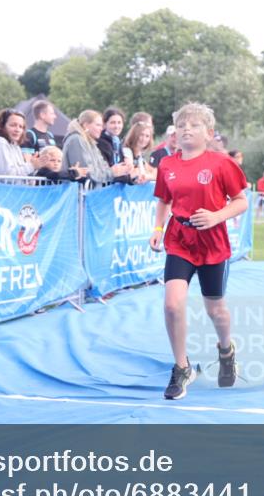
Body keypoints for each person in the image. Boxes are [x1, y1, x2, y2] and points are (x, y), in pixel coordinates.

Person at [149, 102, 248, 400]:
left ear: (209, 133)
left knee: (215, 309)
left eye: (193, 125)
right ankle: (182, 368)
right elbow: (164, 201)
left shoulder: (221, 163)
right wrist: (157, 230)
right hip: (179, 239)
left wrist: (217, 216)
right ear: (175, 134)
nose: (186, 130)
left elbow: (241, 201)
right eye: (181, 126)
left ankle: (226, 350)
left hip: (212, 240)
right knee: (172, 304)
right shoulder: (167, 164)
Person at [61, 110, 131, 188]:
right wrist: (112, 172)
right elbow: (86, 172)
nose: (101, 129)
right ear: (86, 125)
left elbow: (103, 167)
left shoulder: (91, 142)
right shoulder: (76, 140)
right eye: (98, 125)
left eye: (101, 125)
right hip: (78, 194)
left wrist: (117, 171)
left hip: (91, 193)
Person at [0, 109, 38, 177]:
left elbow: (21, 174)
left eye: (21, 127)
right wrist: (32, 166)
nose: (17, 130)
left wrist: (35, 165)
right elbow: (7, 176)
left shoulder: (15, 145)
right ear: (2, 126)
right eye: (13, 125)